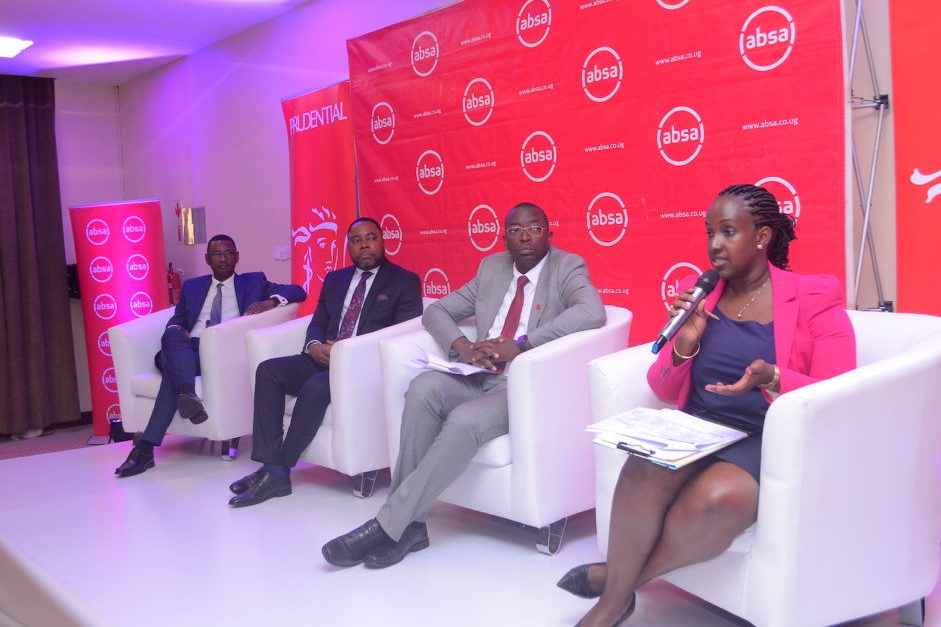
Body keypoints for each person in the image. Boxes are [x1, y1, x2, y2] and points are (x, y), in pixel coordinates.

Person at [556, 184, 857, 626]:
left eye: (729, 231)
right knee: (640, 467)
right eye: (710, 231)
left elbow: (840, 391)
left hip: (767, 433)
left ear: (762, 237)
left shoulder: (813, 296)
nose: (715, 244)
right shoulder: (699, 293)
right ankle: (614, 602)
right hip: (699, 425)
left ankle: (619, 584)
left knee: (715, 500)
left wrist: (773, 377)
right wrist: (685, 344)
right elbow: (659, 384)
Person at [321, 202, 607, 569]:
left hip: (522, 387)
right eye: (516, 230)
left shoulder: (567, 267)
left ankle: (388, 524)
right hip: (480, 374)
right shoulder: (492, 268)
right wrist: (465, 349)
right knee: (423, 387)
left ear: (549, 234)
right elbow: (435, 311)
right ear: (504, 237)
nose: (525, 236)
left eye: (534, 228)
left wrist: (520, 346)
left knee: (464, 421)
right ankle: (412, 527)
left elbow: (592, 311)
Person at [228, 217, 423, 507]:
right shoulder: (335, 279)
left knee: (316, 389)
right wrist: (314, 345)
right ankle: (271, 466)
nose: (365, 245)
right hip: (323, 357)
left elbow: (402, 333)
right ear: (349, 247)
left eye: (371, 238)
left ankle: (277, 471)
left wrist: (347, 350)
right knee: (268, 371)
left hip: (362, 366)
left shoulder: (403, 280)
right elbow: (318, 321)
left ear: (383, 240)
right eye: (356, 241)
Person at [114, 234, 306, 478]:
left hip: (219, 353)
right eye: (217, 254)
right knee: (172, 335)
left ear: (237, 257)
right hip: (188, 349)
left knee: (171, 374)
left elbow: (298, 291)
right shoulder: (193, 286)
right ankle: (185, 394)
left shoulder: (254, 281)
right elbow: (179, 318)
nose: (223, 259)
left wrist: (271, 301)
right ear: (208, 259)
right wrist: (176, 328)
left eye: (228, 253)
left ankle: (146, 448)